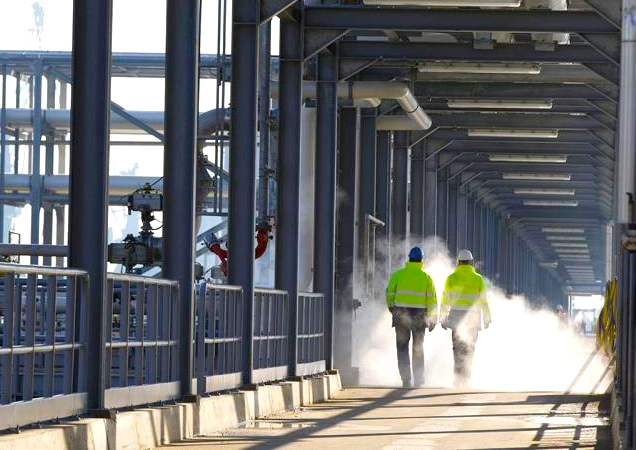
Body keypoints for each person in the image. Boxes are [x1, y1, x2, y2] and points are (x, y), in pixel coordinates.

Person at [386, 247, 437, 388]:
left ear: (409, 258)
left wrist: (391, 307)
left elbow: (389, 292)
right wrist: (433, 318)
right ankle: (419, 380)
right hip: (420, 316)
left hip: (401, 313)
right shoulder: (426, 277)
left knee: (402, 347)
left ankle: (406, 380)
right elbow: (431, 299)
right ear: (422, 259)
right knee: (418, 347)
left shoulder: (399, 274)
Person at [440, 249, 491, 387]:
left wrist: (442, 317)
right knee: (470, 349)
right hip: (473, 318)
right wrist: (487, 318)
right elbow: (483, 300)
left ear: (458, 262)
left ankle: (457, 378)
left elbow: (445, 299)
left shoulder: (451, 278)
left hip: (456, 316)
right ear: (471, 262)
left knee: (457, 348)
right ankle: (466, 379)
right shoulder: (478, 278)